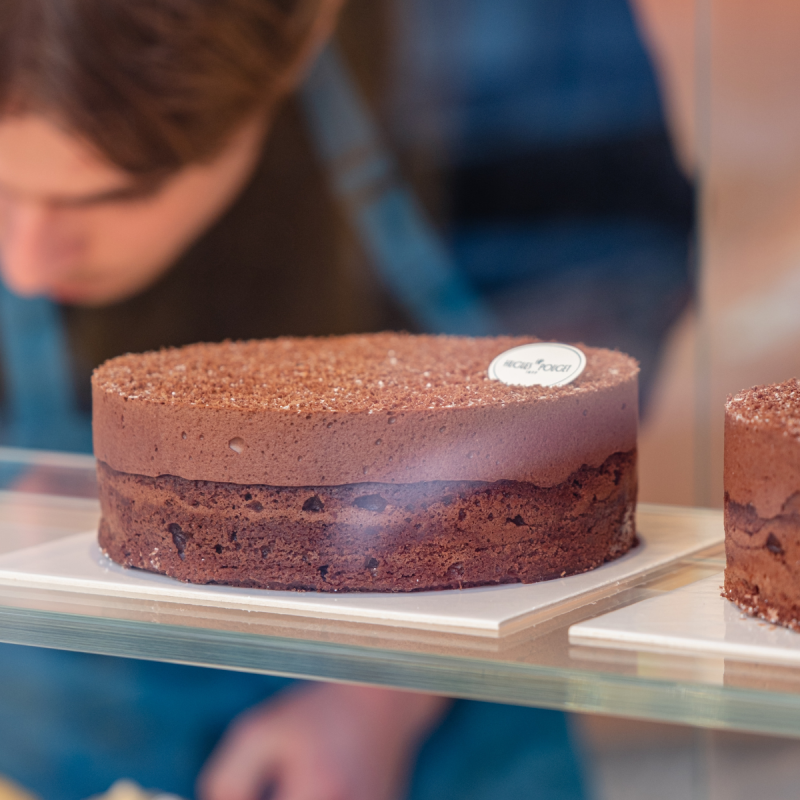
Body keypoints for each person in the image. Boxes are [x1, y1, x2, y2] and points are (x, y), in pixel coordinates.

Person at [0, 0, 691, 797]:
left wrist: (383, 694)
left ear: (304, 32)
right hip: (53, 704)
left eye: (111, 196)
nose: (23, 263)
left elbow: (598, 321)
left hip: (446, 687)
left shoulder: (510, 32)